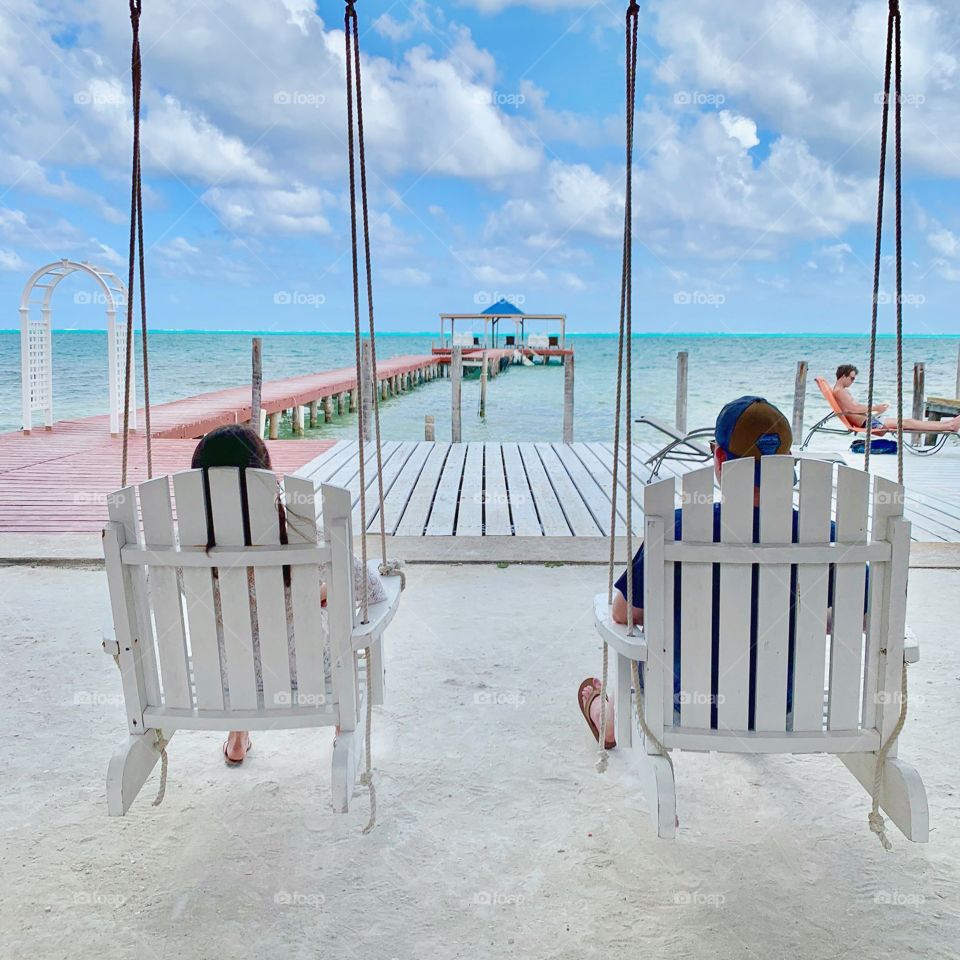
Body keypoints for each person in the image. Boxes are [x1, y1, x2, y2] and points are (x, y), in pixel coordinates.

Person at [580, 396, 838, 746]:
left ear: (718, 459)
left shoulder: (678, 528)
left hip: (686, 704)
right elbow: (859, 616)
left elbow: (624, 614)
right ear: (788, 461)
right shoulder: (828, 535)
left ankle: (608, 718)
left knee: (641, 643)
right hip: (783, 705)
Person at [190, 424, 385, 764]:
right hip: (306, 673)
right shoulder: (303, 530)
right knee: (334, 610)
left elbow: (149, 595)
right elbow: (371, 590)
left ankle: (238, 735)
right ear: (264, 475)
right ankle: (342, 731)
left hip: (226, 678)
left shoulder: (180, 546)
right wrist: (319, 594)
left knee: (232, 625)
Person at [832, 363, 960, 434]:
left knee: (909, 422)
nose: (853, 381)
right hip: (868, 423)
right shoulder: (840, 392)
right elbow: (854, 408)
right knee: (908, 423)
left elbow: (852, 409)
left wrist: (876, 411)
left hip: (870, 420)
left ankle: (948, 424)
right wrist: (876, 408)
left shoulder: (841, 391)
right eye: (852, 378)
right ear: (843, 376)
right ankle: (949, 426)